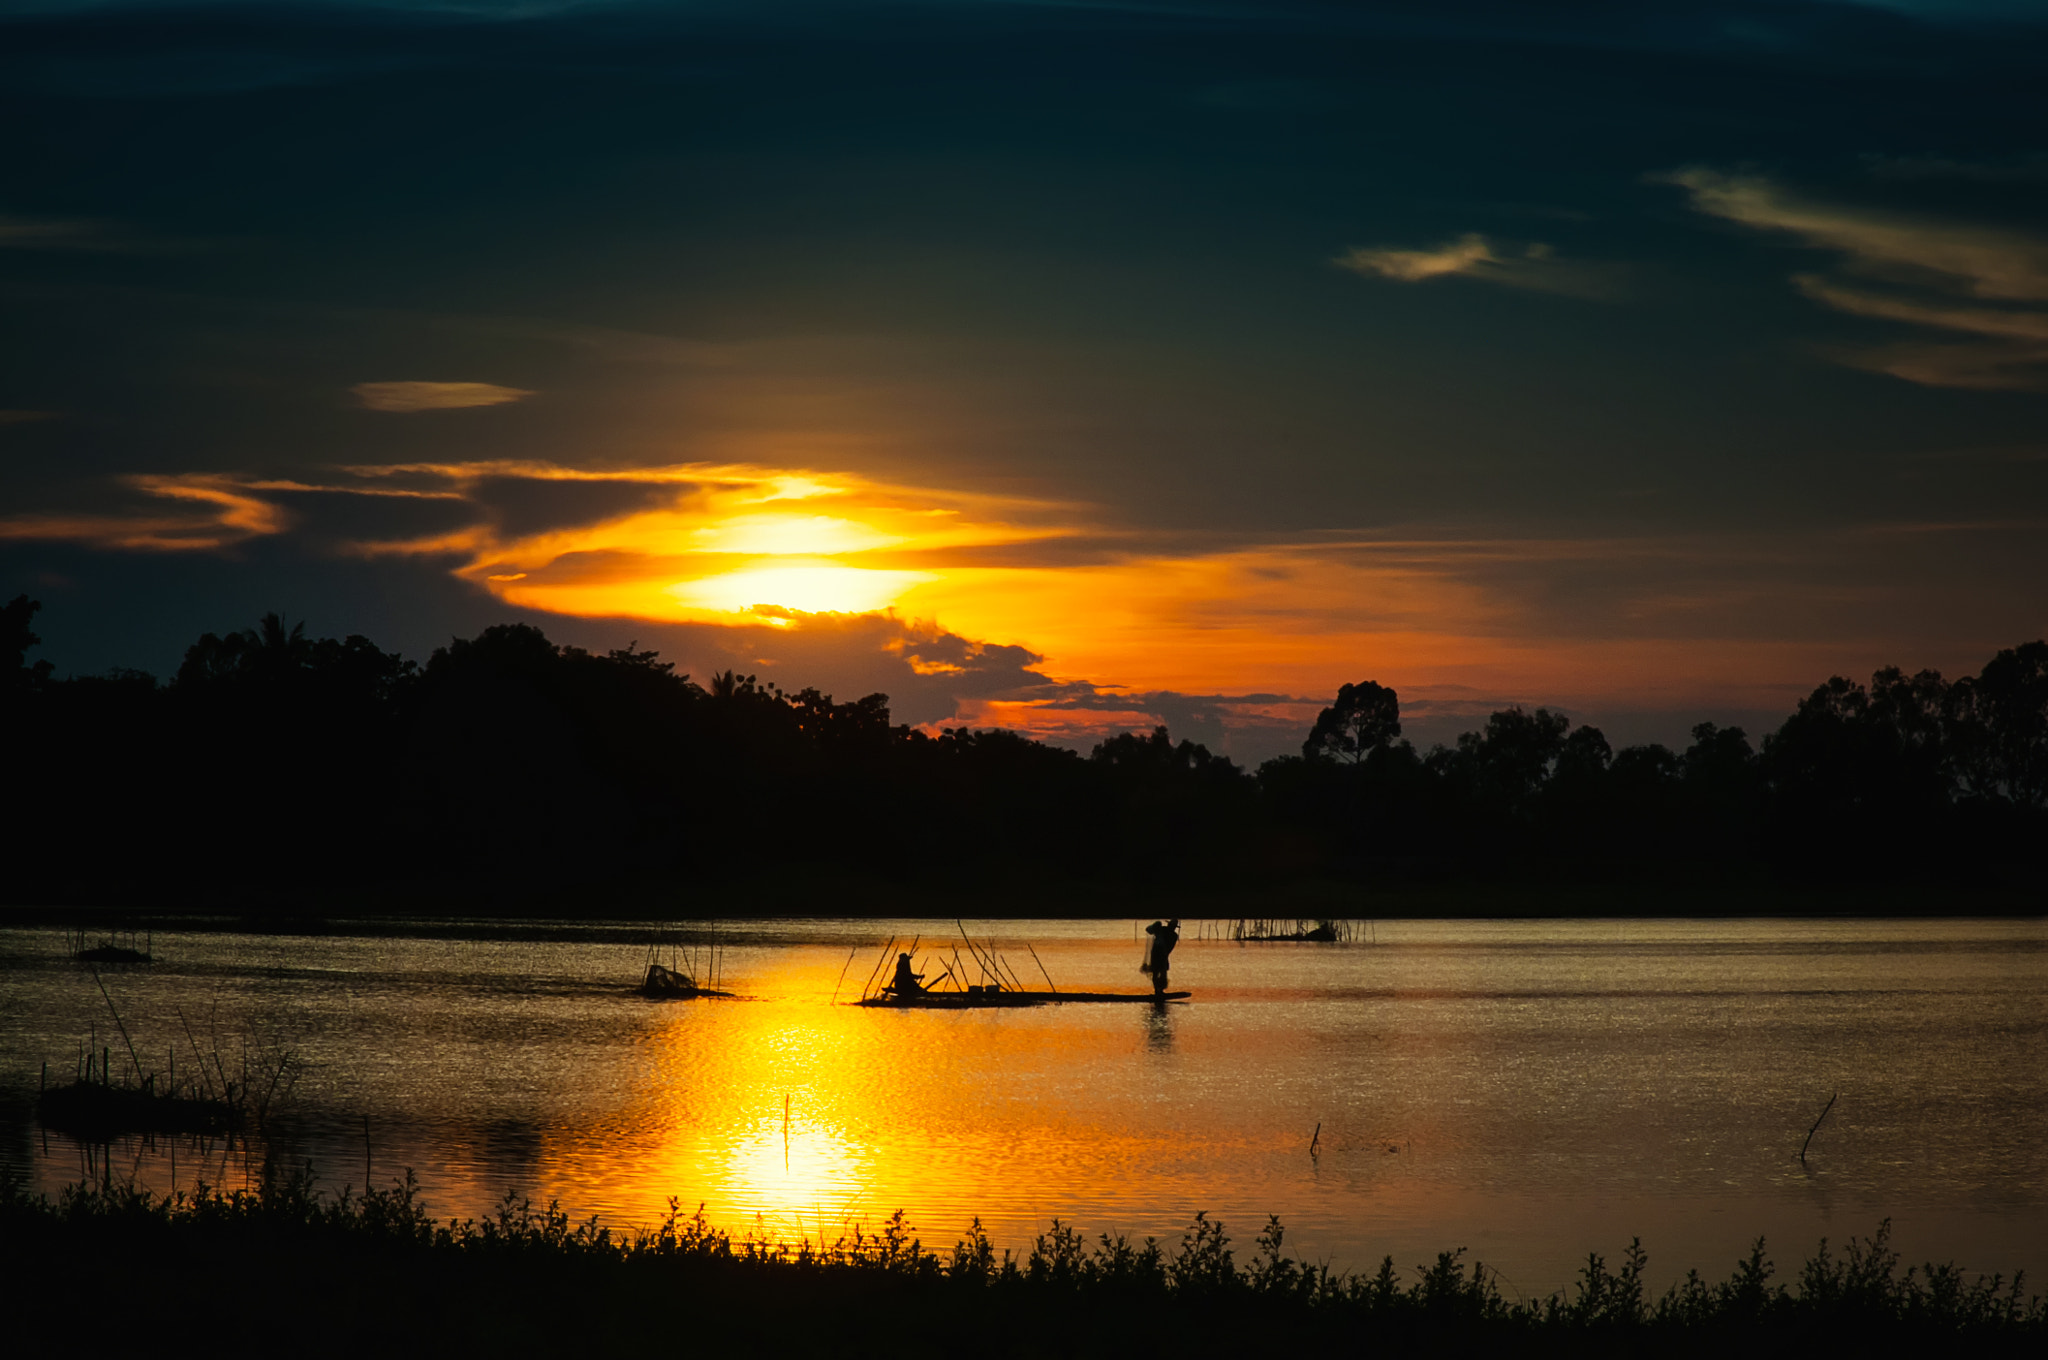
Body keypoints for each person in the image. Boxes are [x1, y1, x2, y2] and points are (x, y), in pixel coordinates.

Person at [1141, 918, 1180, 995]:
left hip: (1162, 954)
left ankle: (1159, 991)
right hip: (1158, 954)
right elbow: (1148, 930)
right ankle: (1157, 991)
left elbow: (1170, 947)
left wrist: (1164, 954)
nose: (1172, 927)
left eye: (1173, 926)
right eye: (1172, 925)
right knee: (1157, 972)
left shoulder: (1172, 935)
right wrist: (1155, 926)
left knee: (1162, 972)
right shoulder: (1162, 930)